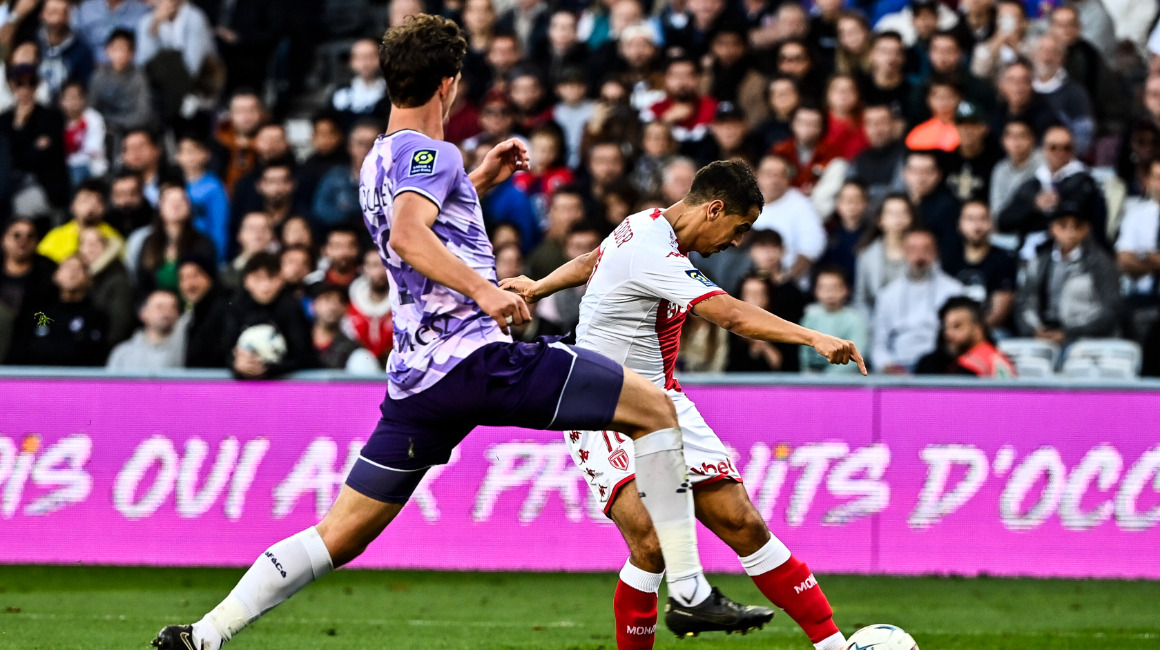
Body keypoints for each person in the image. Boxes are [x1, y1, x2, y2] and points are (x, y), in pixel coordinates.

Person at [151, 17, 750, 649]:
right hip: (477, 360)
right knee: (655, 408)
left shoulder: (378, 159)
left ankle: (205, 634)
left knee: (340, 535)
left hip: (418, 380)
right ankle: (689, 590)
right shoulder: (435, 154)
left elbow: (420, 220)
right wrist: (485, 291)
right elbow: (410, 235)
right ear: (448, 83)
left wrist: (478, 182)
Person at [501, 159, 863, 650]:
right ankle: (689, 601)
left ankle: (835, 646)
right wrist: (813, 337)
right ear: (714, 209)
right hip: (601, 404)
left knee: (744, 524)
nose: (737, 241)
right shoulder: (652, 248)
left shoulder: (645, 224)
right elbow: (731, 316)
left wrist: (538, 285)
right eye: (739, 227)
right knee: (651, 544)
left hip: (663, 403)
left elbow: (592, 260)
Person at [997, 125, 1107, 258]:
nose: (1060, 153)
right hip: (1027, 252)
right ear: (1043, 149)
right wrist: (1034, 206)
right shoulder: (1033, 183)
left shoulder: (1085, 184)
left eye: (1066, 148)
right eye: (1053, 147)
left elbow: (1090, 224)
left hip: (1068, 254)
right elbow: (1004, 221)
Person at [1017, 208, 1120, 345]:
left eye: (1077, 226)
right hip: (1042, 334)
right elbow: (1023, 303)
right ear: (1052, 228)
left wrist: (1069, 333)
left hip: (1085, 337)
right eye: (1063, 225)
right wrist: (1033, 331)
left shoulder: (1101, 263)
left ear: (1087, 229)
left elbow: (1110, 310)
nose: (1070, 232)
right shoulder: (1038, 262)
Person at [871, 228, 964, 373]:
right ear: (904, 253)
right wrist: (888, 366)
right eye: (913, 250)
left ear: (936, 252)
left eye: (926, 250)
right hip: (898, 365)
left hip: (939, 367)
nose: (919, 256)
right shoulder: (888, 294)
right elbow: (878, 344)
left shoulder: (954, 290)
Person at [220, 251, 315, 379]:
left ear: (282, 279)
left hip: (284, 385)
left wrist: (268, 369)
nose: (266, 285)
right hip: (242, 386)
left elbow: (303, 355)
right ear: (246, 280)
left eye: (272, 277)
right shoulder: (236, 306)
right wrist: (236, 364)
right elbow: (225, 349)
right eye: (258, 278)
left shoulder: (291, 307)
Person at [9, 255, 108, 366]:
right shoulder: (39, 314)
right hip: (38, 374)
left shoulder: (96, 317)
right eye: (67, 267)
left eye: (79, 269)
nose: (72, 272)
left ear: (89, 279)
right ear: (56, 276)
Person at [752, 154, 826, 287]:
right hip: (752, 285)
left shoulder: (801, 204)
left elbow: (811, 247)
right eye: (769, 174)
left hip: (790, 284)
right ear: (758, 176)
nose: (774, 180)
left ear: (788, 178)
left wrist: (786, 281)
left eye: (780, 175)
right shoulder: (747, 203)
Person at [88, 28, 155, 152]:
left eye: (123, 49)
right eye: (115, 49)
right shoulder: (99, 75)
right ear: (107, 50)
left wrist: (119, 125)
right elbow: (91, 108)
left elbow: (144, 112)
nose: (119, 54)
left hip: (132, 128)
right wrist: (103, 124)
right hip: (104, 128)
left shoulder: (140, 77)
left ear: (132, 53)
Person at [0, 218, 56, 363]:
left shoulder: (48, 272)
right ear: (4, 239)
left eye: (30, 236)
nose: (23, 241)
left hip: (31, 348)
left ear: (37, 241)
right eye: (16, 235)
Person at [915, 297, 1016, 377]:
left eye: (957, 326)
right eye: (946, 327)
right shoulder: (999, 358)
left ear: (978, 328)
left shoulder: (971, 366)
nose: (948, 333)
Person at [1116, 159, 1160, 343]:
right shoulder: (1137, 214)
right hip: (1141, 300)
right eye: (1157, 178)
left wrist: (1147, 260)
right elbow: (1123, 260)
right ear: (1149, 180)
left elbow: (1134, 259)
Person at [854, 193, 915, 313]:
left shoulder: (923, 250)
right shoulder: (866, 255)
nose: (898, 218)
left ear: (911, 218)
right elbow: (861, 299)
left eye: (903, 213)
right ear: (880, 220)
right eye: (891, 213)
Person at [313, 120, 381, 228]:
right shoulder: (335, 177)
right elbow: (321, 210)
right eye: (361, 143)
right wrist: (353, 219)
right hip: (342, 233)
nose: (366, 149)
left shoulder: (393, 179)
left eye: (372, 144)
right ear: (350, 147)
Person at [800, 266, 868, 374]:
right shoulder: (809, 318)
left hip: (844, 378)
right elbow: (804, 355)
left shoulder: (855, 320)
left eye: (835, 288)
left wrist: (827, 378)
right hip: (812, 378)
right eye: (824, 288)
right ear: (816, 291)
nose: (829, 293)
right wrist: (808, 376)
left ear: (845, 290)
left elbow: (857, 356)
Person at [38, 180, 125, 264]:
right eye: (85, 201)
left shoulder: (114, 238)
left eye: (97, 201)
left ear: (105, 208)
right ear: (72, 206)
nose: (91, 207)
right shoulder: (55, 237)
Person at [175, 134, 230, 264]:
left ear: (206, 154)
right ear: (177, 157)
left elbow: (220, 226)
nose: (190, 157)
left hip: (205, 251)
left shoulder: (214, 186)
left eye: (194, 151)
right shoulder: (175, 184)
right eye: (185, 152)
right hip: (179, 251)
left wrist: (217, 258)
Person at [77, 224, 134, 346]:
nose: (90, 248)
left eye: (95, 243)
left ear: (106, 247)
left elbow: (120, 324)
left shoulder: (117, 277)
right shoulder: (79, 275)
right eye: (84, 243)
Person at [105, 289, 185, 370]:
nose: (167, 312)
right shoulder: (122, 353)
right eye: (160, 307)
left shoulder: (185, 350)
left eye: (173, 307)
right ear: (143, 313)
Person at [177, 253, 229, 368]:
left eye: (195, 276)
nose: (189, 284)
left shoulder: (224, 309)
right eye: (183, 278)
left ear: (210, 277)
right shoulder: (191, 315)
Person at [36, 0, 95, 99]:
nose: (57, 19)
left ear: (69, 16)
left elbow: (83, 89)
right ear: (42, 15)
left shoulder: (82, 51)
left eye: (63, 13)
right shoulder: (30, 44)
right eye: (52, 13)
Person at [329, 39, 391, 131]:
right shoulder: (340, 92)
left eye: (371, 57)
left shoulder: (391, 91)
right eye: (359, 57)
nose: (365, 63)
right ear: (351, 61)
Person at [989, 119, 1042, 222]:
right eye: (1011, 136)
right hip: (1008, 224)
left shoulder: (1044, 162)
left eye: (1022, 136)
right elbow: (996, 211)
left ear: (1032, 139)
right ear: (1003, 141)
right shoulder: (1000, 169)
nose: (1016, 141)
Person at [310, 283, 372, 371]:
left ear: (346, 309)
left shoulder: (352, 349)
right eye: (327, 299)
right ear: (313, 305)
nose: (333, 307)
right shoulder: (298, 341)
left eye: (340, 301)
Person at [347, 248, 393, 365]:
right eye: (374, 265)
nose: (381, 271)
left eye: (385, 265)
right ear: (364, 269)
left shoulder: (403, 307)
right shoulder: (352, 307)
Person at [221, 211, 277, 289]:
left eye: (264, 228)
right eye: (252, 228)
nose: (258, 233)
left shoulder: (282, 269)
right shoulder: (225, 273)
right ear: (239, 235)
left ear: (272, 235)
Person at [304, 225, 361, 290]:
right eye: (337, 247)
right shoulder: (313, 282)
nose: (344, 252)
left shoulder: (366, 279)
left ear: (358, 249)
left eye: (350, 246)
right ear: (324, 250)